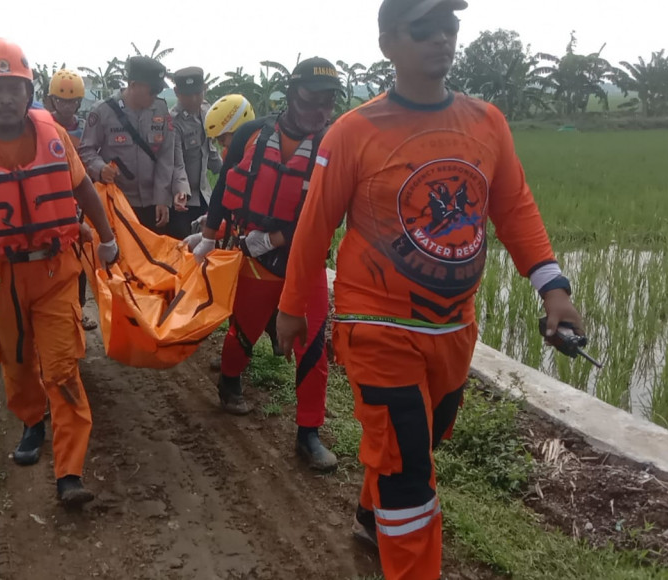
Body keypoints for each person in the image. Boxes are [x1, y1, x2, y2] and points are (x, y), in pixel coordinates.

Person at [275, 1, 587, 577]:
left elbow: (514, 208)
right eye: (424, 29)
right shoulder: (354, 132)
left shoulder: (485, 121)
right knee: (407, 468)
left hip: (452, 327)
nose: (441, 38)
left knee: (424, 437)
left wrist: (553, 288)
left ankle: (371, 516)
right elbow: (315, 222)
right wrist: (292, 307)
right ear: (388, 43)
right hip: (377, 326)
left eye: (450, 26)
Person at [0, 38, 119, 507]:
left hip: (55, 270)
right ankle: (32, 420)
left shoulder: (55, 135)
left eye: (15, 87)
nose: (6, 97)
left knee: (63, 366)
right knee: (14, 359)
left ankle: (69, 472)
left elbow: (83, 188)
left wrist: (107, 237)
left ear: (29, 91)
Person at [186, 57, 343, 472]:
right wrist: (209, 235)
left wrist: (274, 237)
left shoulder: (333, 147)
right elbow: (224, 189)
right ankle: (230, 380)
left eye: (329, 102)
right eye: (312, 100)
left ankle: (308, 433)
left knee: (312, 348)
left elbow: (329, 213)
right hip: (255, 260)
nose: (320, 111)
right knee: (244, 330)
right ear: (291, 95)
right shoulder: (253, 136)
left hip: (302, 261)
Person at [79, 56, 180, 234]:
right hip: (119, 204)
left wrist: (162, 198)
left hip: (153, 203)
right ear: (133, 85)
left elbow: (166, 155)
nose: (155, 95)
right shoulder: (103, 111)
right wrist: (100, 168)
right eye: (152, 90)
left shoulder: (161, 110)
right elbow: (86, 149)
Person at [48, 69, 98, 331]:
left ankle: (77, 312)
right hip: (52, 204)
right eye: (61, 100)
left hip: (78, 203)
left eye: (72, 101)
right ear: (52, 100)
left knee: (77, 262)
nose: (67, 106)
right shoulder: (43, 127)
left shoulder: (84, 129)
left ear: (79, 102)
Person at [168, 67, 222, 240]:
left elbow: (212, 149)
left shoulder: (207, 112)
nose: (193, 100)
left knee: (208, 245)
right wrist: (181, 191)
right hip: (182, 201)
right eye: (187, 95)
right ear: (176, 92)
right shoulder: (173, 121)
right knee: (184, 247)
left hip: (205, 195)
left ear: (204, 88)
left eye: (198, 94)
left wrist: (228, 172)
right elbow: (176, 162)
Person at [204, 94, 255, 159]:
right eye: (217, 139)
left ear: (238, 130)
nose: (220, 144)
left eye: (222, 139)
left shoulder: (262, 151)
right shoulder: (229, 154)